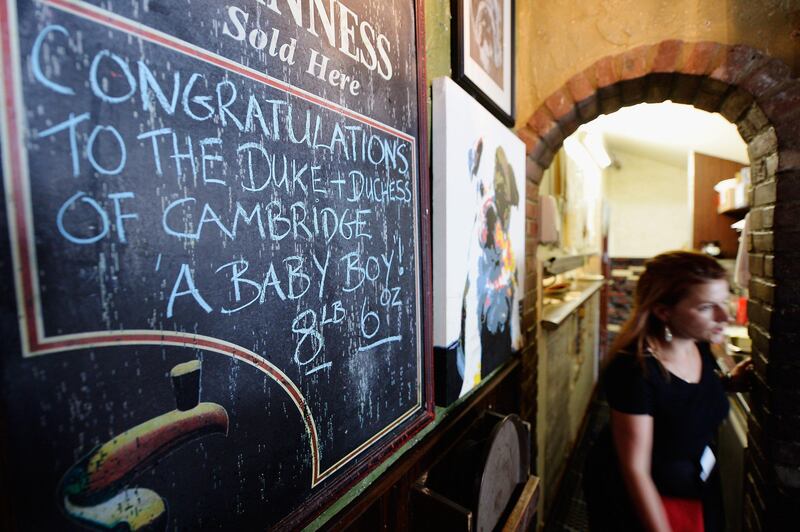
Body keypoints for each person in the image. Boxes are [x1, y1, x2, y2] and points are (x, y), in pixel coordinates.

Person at [583, 251, 753, 532]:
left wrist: (727, 383)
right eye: (707, 307)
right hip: (643, 497)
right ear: (664, 311)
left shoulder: (697, 343)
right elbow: (636, 471)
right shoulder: (634, 370)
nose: (725, 315)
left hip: (692, 481)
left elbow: (681, 396)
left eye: (724, 302)